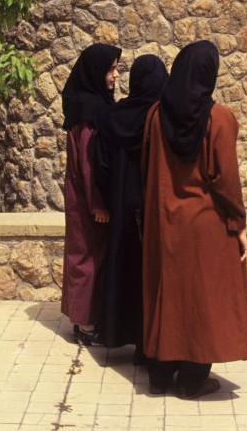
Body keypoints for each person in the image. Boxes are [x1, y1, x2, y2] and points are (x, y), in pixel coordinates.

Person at [142, 40, 247, 399]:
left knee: (169, 295)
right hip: (205, 222)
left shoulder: (156, 115)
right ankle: (192, 378)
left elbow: (147, 167)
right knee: (202, 299)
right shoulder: (218, 119)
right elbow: (226, 179)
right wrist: (238, 223)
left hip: (164, 219)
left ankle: (160, 373)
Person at [93, 54, 168, 355]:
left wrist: (110, 195)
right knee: (151, 273)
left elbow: (101, 164)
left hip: (121, 203)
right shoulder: (160, 117)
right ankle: (148, 343)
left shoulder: (112, 116)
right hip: (153, 205)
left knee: (123, 267)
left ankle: (119, 332)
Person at [62, 43, 121, 345]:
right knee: (86, 258)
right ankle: (85, 324)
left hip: (82, 195)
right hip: (87, 199)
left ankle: (84, 318)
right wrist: (98, 203)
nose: (115, 75)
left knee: (84, 255)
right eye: (110, 69)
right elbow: (88, 163)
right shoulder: (89, 111)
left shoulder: (86, 104)